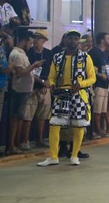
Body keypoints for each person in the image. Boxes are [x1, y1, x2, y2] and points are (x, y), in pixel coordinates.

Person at [37, 29, 96, 167]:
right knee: (54, 123)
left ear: (79, 41)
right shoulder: (57, 57)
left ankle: (74, 155)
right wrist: (51, 84)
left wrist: (81, 84)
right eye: (70, 38)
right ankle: (53, 156)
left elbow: (92, 78)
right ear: (65, 39)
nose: (73, 41)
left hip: (79, 94)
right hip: (61, 94)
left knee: (78, 124)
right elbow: (51, 77)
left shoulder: (86, 57)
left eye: (76, 38)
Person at [8, 29, 41, 154]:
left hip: (25, 89)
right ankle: (11, 145)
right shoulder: (16, 54)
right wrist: (33, 66)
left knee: (19, 117)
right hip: (19, 90)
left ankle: (16, 143)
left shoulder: (22, 53)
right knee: (16, 117)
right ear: (25, 41)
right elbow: (20, 73)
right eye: (30, 43)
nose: (31, 46)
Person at [28, 31, 52, 149]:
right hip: (32, 88)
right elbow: (29, 71)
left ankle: (40, 139)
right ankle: (24, 140)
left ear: (44, 41)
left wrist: (46, 84)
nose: (36, 41)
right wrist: (41, 83)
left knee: (43, 115)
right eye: (35, 38)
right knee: (28, 116)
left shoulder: (48, 54)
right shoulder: (29, 53)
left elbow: (52, 70)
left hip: (45, 87)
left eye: (38, 39)